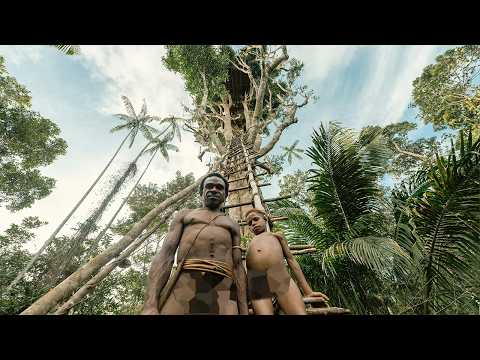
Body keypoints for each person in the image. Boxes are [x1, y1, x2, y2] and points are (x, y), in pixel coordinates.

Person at [141, 172, 248, 315]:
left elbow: (238, 267)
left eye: (219, 187)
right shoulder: (185, 215)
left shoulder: (232, 224)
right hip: (184, 284)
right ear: (201, 192)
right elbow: (165, 256)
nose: (214, 190)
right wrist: (150, 304)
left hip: (224, 289)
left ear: (226, 195)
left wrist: (243, 309)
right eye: (209, 186)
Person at [245, 208, 328, 315]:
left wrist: (308, 291)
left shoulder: (277, 235)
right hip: (257, 281)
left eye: (256, 219)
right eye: (250, 223)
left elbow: (291, 260)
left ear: (265, 218)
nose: (253, 224)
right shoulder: (250, 243)